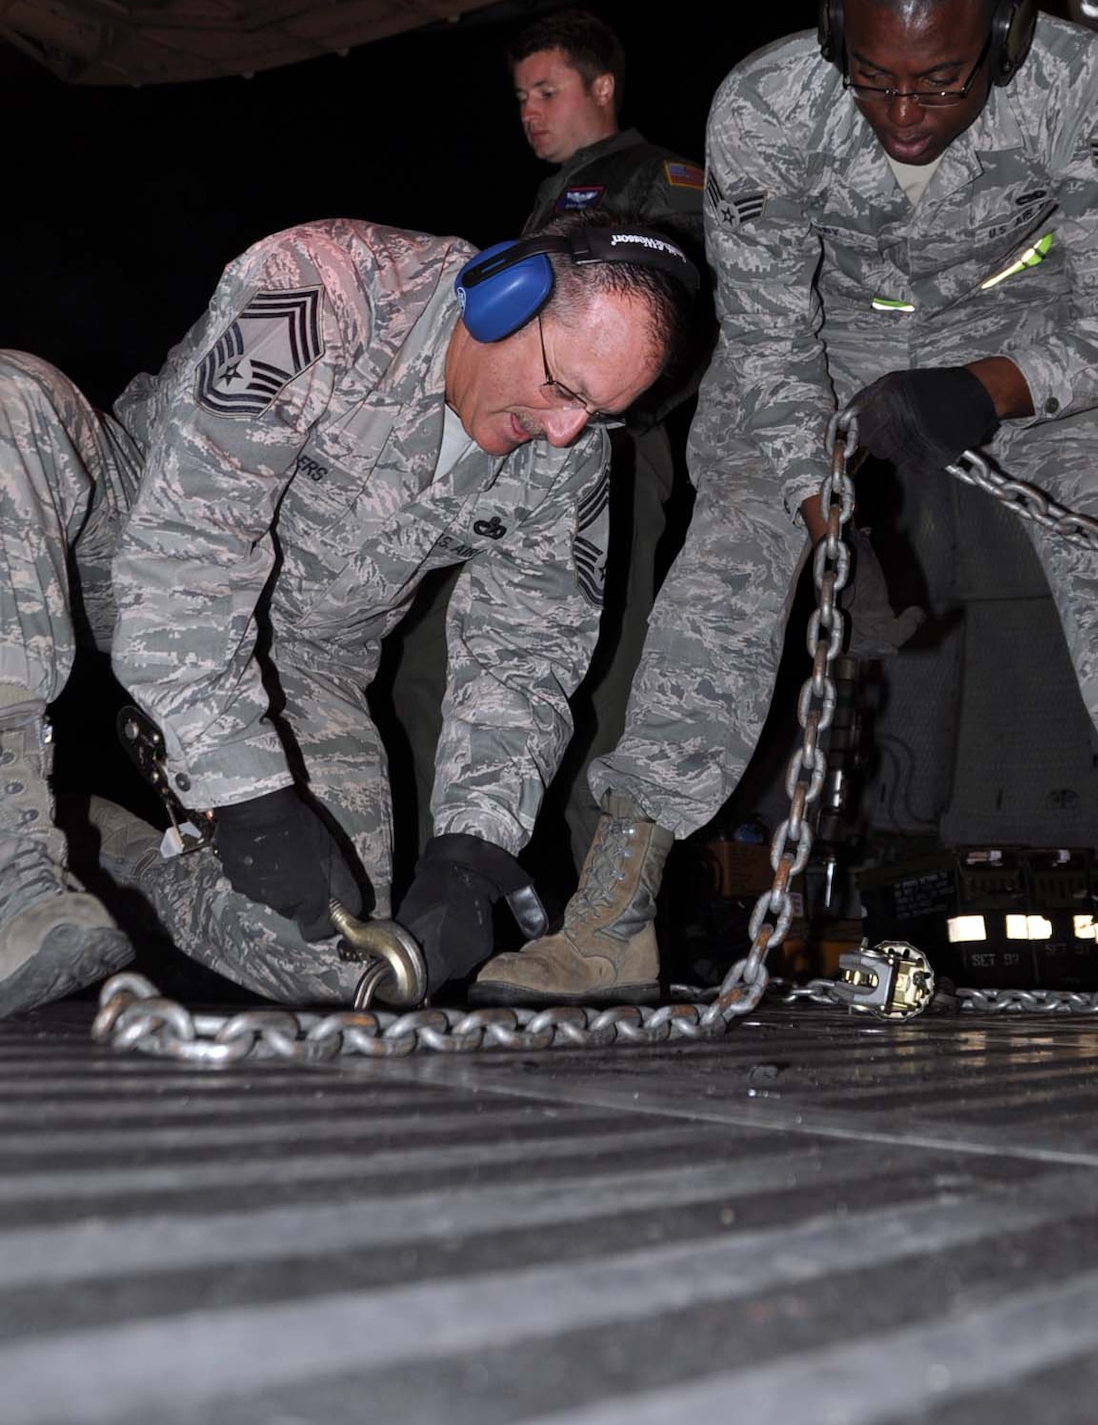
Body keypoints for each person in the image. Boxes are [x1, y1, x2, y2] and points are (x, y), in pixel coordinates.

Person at [478, 0, 1098, 1031]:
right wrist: (818, 499)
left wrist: (988, 387)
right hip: (829, 340)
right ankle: (612, 911)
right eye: (876, 82)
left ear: (1006, 43)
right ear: (838, 43)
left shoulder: (1087, 90)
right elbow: (771, 336)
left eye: (939, 85)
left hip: (1029, 334)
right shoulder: (770, 107)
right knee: (729, 554)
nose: (905, 116)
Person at [0, 212, 696, 1015]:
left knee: (345, 965)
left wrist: (472, 847)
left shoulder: (571, 454)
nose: (568, 430)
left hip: (302, 654)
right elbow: (187, 547)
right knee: (12, 397)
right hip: (126, 532)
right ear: (501, 300)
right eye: (564, 389)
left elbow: (525, 655)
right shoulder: (324, 288)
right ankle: (16, 875)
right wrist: (247, 790)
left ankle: (107, 855)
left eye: (601, 413)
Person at [392, 11, 706, 938]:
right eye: (520, 97)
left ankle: (600, 934)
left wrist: (608, 416)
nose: (529, 112)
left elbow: (685, 325)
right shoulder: (557, 198)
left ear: (602, 88)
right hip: (515, 456)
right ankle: (444, 904)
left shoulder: (657, 182)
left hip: (603, 451)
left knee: (601, 679)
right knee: (430, 666)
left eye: (547, 91)